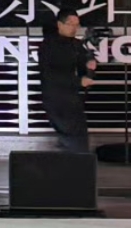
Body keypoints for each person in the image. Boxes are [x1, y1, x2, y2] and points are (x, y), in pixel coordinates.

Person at [37, 9, 98, 153]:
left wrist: (90, 68)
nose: (74, 28)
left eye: (76, 25)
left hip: (73, 97)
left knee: (79, 137)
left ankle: (76, 163)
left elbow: (85, 67)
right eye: (70, 24)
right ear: (60, 24)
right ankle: (74, 163)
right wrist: (78, 81)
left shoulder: (76, 44)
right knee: (73, 139)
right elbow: (49, 75)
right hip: (56, 98)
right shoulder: (48, 46)